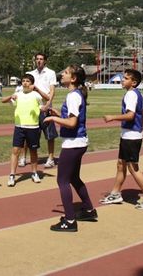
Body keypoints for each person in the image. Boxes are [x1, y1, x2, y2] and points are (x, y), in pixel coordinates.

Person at [44, 65, 97, 232]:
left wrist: (53, 119)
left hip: (73, 143)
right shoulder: (76, 94)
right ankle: (88, 210)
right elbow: (73, 118)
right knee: (74, 178)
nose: (62, 75)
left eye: (66, 73)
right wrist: (59, 114)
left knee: (63, 181)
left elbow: (72, 123)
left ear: (73, 79)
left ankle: (70, 220)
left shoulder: (73, 96)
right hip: (79, 142)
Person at [100, 69, 143, 210]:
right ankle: (115, 193)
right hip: (130, 135)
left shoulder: (131, 95)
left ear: (134, 82)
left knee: (133, 168)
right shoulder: (139, 94)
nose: (122, 80)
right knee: (121, 164)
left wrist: (112, 117)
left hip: (131, 136)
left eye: (126, 78)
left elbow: (130, 115)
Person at [1, 73, 49, 187]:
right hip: (19, 127)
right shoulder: (18, 94)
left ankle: (34, 173)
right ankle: (12, 175)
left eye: (28, 81)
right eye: (23, 81)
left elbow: (47, 99)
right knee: (15, 151)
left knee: (33, 151)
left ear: (32, 84)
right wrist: (11, 97)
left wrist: (38, 91)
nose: (25, 83)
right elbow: (3, 100)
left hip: (33, 127)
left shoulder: (36, 95)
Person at [25, 53, 58, 169]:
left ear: (45, 61)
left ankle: (50, 158)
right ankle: (24, 157)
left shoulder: (50, 73)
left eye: (41, 59)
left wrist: (49, 103)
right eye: (37, 59)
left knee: (50, 135)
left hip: (45, 108)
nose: (39, 61)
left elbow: (52, 91)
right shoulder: (30, 74)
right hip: (33, 108)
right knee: (29, 133)